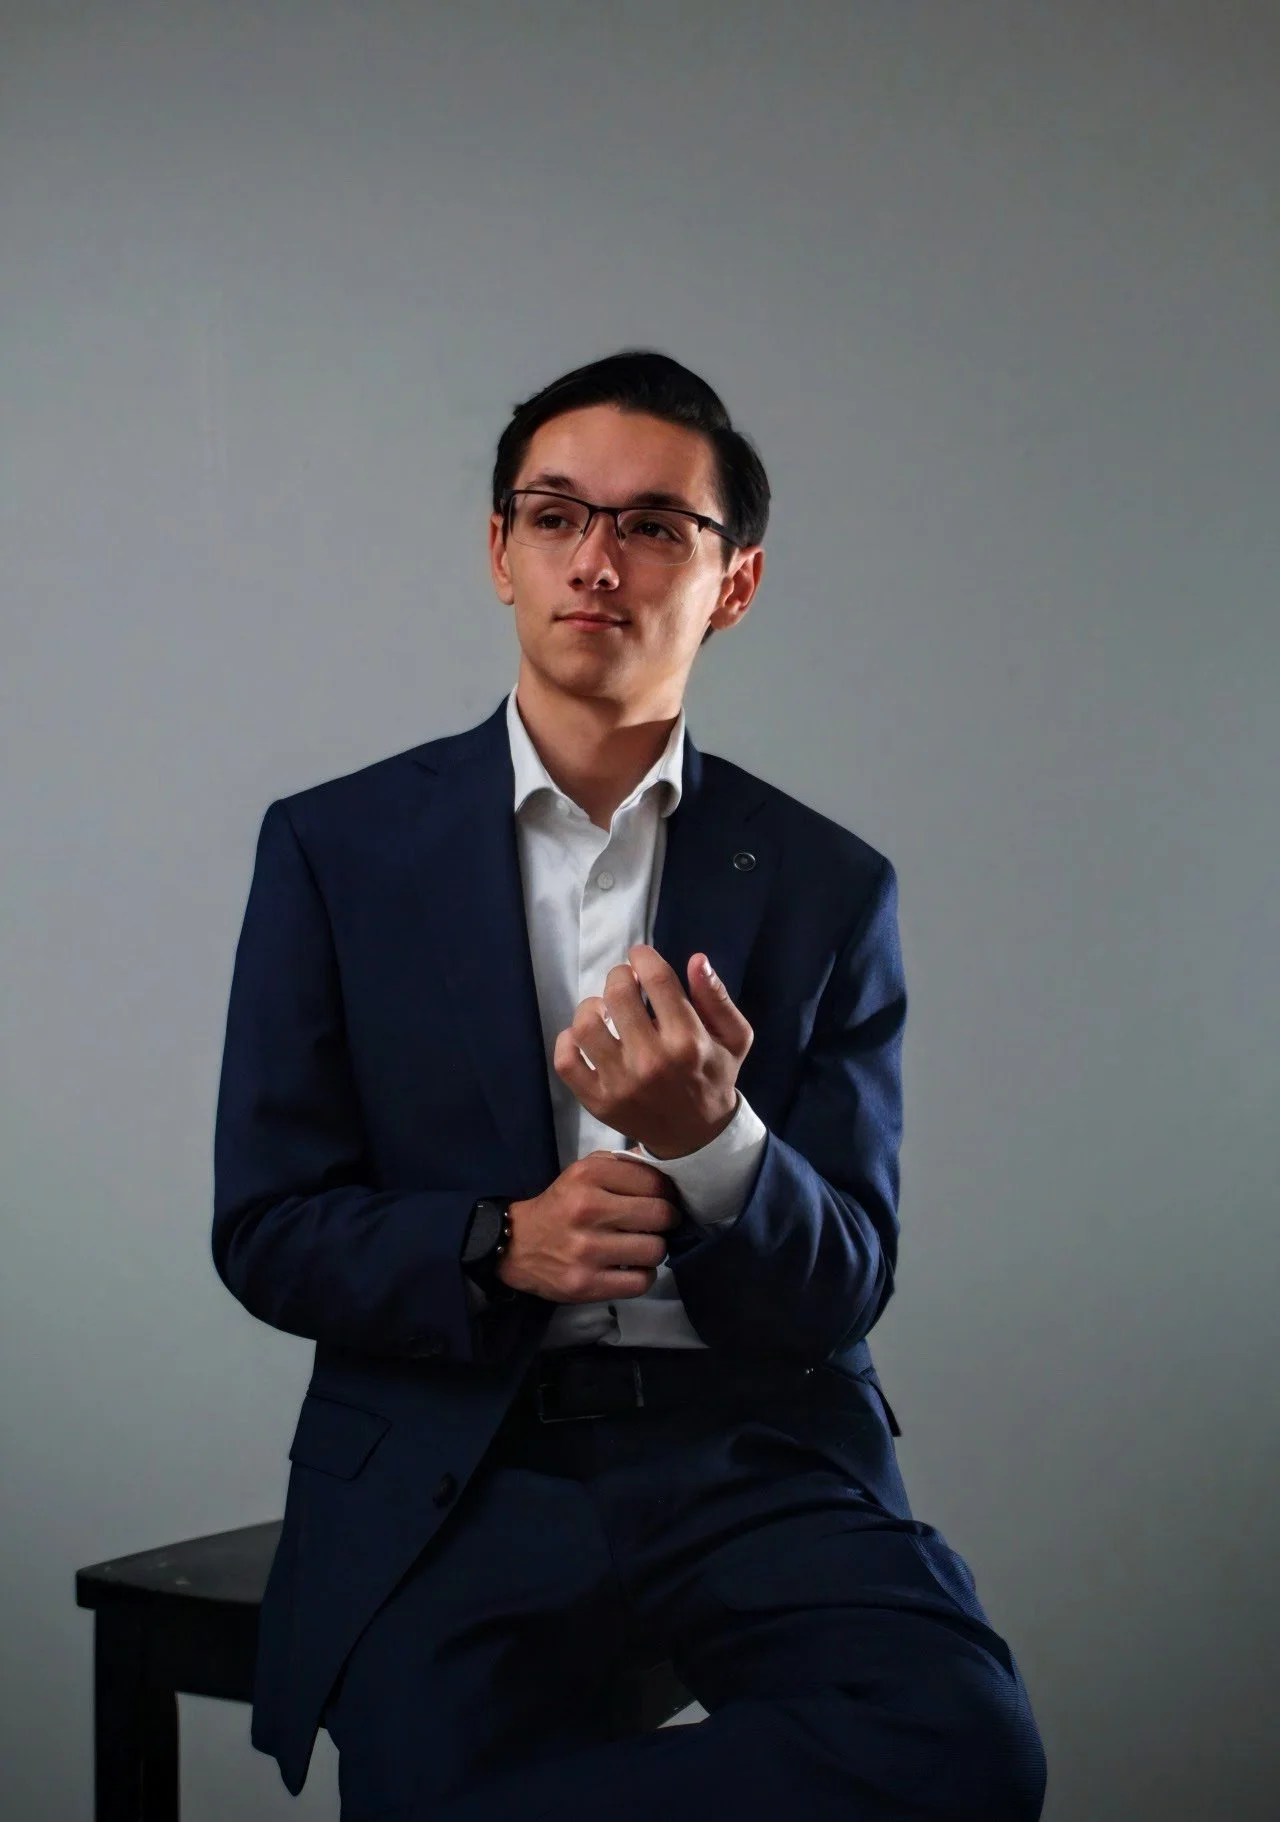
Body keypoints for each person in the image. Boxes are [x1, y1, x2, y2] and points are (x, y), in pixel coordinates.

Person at [212, 348, 1048, 1821]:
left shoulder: (828, 884)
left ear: (734, 582)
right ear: (500, 551)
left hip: (749, 1443)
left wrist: (716, 1140)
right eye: (557, 514)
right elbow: (267, 1221)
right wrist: (499, 1242)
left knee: (966, 1744)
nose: (599, 559)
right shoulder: (336, 851)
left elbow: (847, 1276)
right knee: (426, 1762)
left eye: (656, 524)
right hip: (459, 1460)